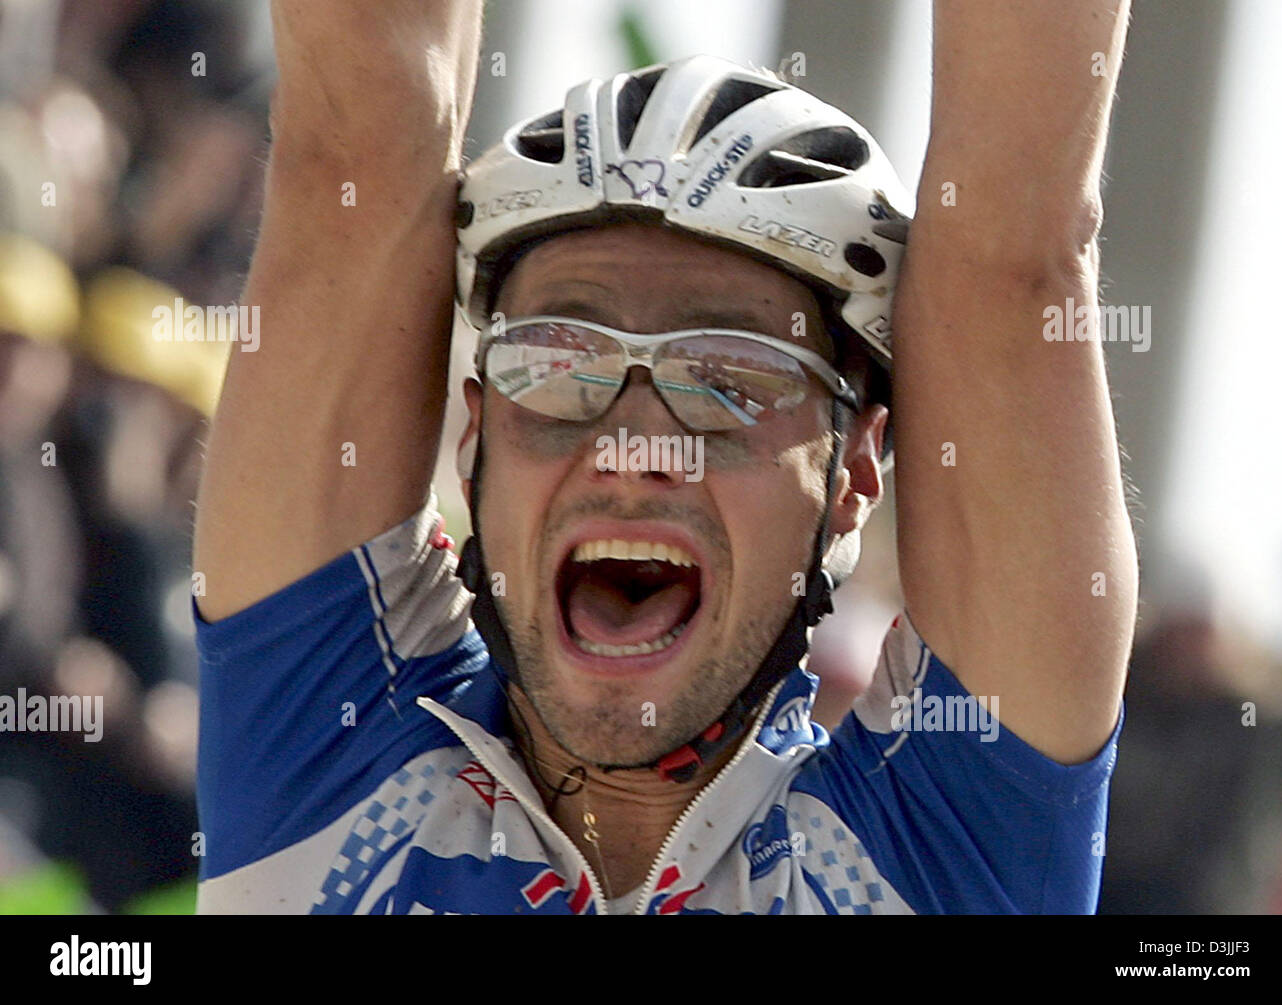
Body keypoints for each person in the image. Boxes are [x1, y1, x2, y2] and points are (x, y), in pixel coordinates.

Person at [192, 0, 1137, 914]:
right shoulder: (332, 738)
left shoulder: (938, 854)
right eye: (560, 363)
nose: (631, 448)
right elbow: (355, 148)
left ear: (851, 476)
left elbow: (1018, 257)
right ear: (475, 436)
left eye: (727, 380)